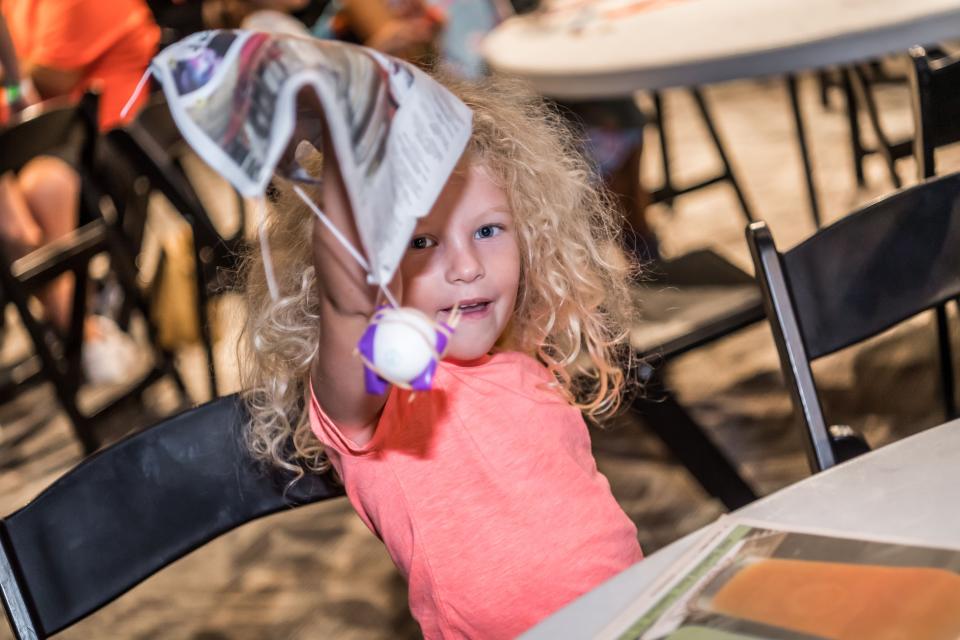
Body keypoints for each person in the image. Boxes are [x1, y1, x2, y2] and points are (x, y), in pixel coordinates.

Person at [241, 72, 643, 638]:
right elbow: (348, 304)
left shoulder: (523, 364)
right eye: (421, 242)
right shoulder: (384, 396)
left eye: (489, 230)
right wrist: (347, 189)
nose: (465, 266)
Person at [0, 0, 160, 383]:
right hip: (57, 134)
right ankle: (84, 330)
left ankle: (79, 331)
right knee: (30, 203)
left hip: (113, 134)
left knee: (44, 190)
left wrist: (15, 83)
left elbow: (47, 80)